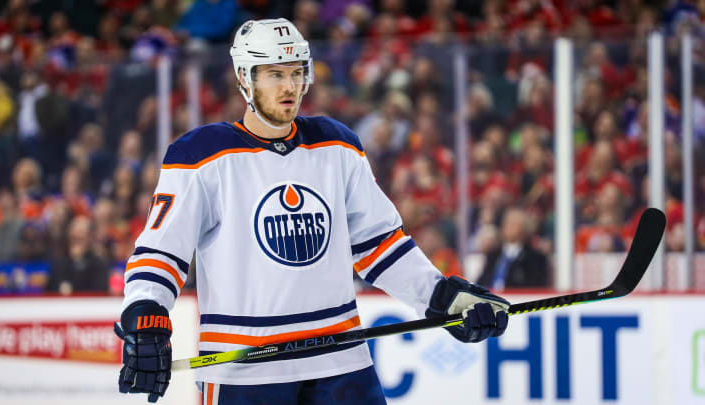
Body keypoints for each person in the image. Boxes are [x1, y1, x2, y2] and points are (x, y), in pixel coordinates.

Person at [114, 18, 509, 404]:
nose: (290, 87)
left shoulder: (337, 145)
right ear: (245, 78)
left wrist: (442, 299)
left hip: (341, 362)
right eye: (274, 74)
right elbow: (161, 253)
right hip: (246, 371)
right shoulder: (200, 156)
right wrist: (146, 314)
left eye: (296, 72)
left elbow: (381, 247)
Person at [477, 207, 550, 289]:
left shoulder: (535, 258)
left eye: (513, 224)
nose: (508, 227)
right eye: (506, 223)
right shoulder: (492, 256)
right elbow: (481, 281)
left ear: (524, 228)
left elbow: (535, 287)